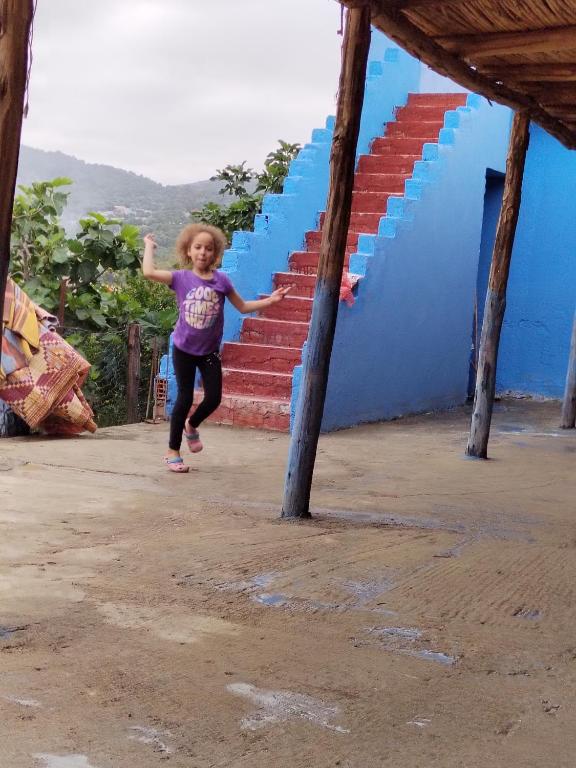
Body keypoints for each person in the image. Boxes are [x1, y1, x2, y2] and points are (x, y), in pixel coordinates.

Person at [142, 224, 290, 473]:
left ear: (215, 253)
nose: (203, 253)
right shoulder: (181, 278)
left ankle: (192, 424)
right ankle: (172, 452)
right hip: (184, 349)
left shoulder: (222, 281)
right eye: (197, 247)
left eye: (208, 249)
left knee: (213, 398)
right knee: (184, 398)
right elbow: (148, 272)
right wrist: (149, 246)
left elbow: (242, 307)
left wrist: (271, 300)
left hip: (208, 352)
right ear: (188, 251)